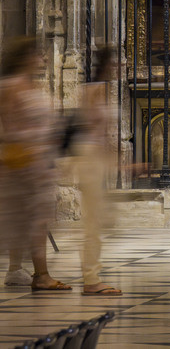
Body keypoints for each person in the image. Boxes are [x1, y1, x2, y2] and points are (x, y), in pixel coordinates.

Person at [0, 38, 68, 291]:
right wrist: (34, 142)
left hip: (38, 164)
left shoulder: (29, 85)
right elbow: (10, 129)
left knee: (32, 220)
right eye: (39, 55)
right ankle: (41, 275)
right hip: (24, 164)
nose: (44, 59)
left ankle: (20, 270)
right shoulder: (11, 86)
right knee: (35, 222)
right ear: (25, 57)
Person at [77, 49, 129, 295]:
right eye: (116, 61)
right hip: (90, 159)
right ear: (107, 64)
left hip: (95, 159)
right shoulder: (94, 91)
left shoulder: (102, 90)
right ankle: (91, 279)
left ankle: (92, 275)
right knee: (93, 222)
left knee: (98, 220)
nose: (120, 65)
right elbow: (89, 131)